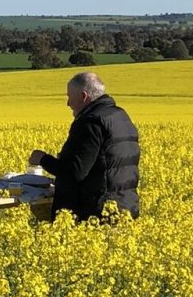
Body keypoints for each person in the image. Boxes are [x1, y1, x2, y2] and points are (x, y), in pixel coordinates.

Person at [29, 71, 140, 221]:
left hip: (96, 212)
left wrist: (42, 159)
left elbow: (75, 171)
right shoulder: (119, 117)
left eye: (69, 97)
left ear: (83, 96)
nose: (68, 104)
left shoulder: (90, 122)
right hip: (123, 207)